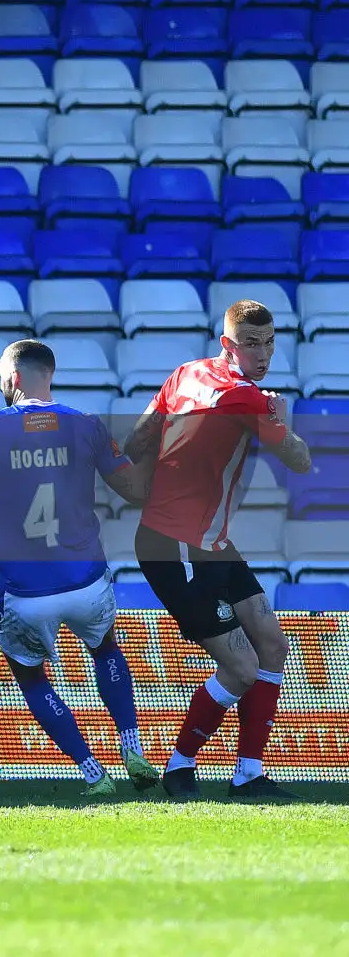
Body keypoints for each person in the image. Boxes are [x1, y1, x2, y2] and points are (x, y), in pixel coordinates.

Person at [0, 340, 159, 795]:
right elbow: (136, 491)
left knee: (29, 676)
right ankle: (131, 744)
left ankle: (92, 773)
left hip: (25, 591)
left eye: (2, 374)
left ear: (15, 378)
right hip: (85, 580)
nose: (0, 383)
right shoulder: (86, 425)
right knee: (105, 648)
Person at [122, 301, 312, 802]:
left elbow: (137, 440)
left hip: (207, 542)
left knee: (273, 644)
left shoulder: (185, 373)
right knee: (243, 667)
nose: (264, 352)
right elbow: (300, 460)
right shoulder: (250, 398)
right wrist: (278, 414)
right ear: (227, 343)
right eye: (252, 342)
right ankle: (179, 767)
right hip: (176, 546)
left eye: (270, 342)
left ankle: (249, 773)